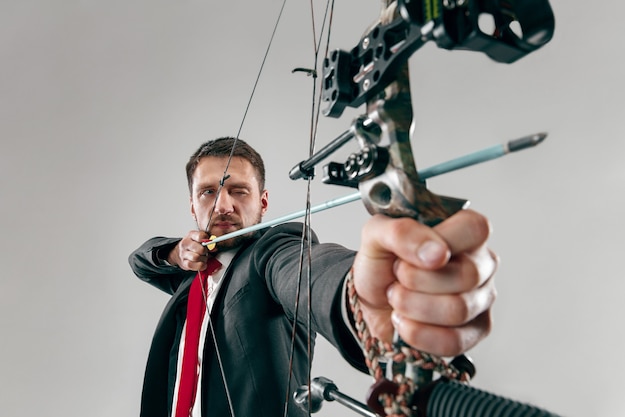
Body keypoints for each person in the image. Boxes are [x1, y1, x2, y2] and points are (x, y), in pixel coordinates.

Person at [128, 136, 498, 417]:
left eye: (239, 190)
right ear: (192, 205)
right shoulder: (189, 278)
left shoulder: (270, 253)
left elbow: (306, 273)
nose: (223, 204)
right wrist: (176, 252)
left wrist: (366, 296)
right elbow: (141, 260)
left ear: (263, 202)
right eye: (208, 192)